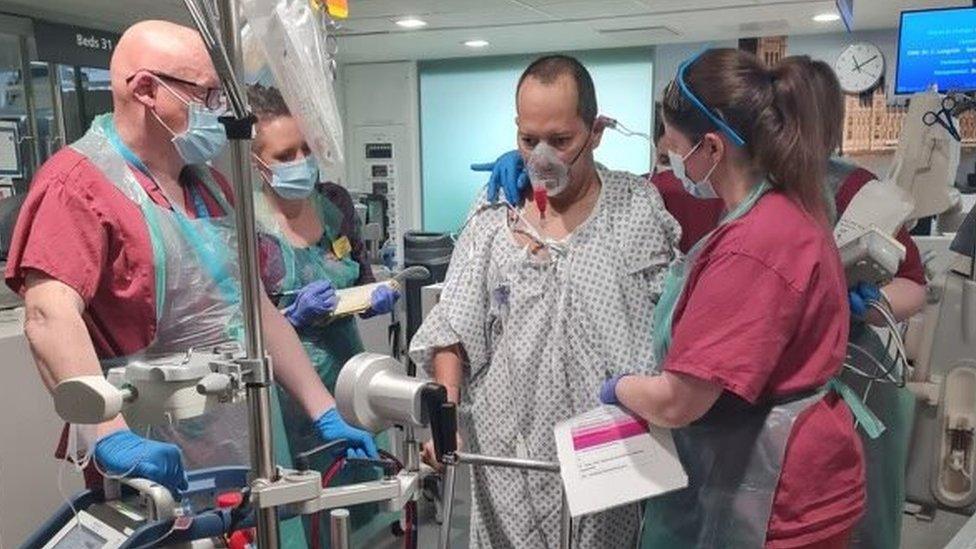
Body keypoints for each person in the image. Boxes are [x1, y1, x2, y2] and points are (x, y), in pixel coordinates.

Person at [5, 20, 377, 528]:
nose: (220, 111)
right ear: (145, 90)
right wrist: (109, 434)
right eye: (206, 95)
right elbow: (49, 316)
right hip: (153, 448)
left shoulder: (209, 185)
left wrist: (322, 408)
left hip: (245, 435)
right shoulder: (78, 186)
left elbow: (256, 312)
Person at [596, 49, 864, 548]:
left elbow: (678, 401)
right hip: (809, 469)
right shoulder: (792, 204)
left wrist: (620, 389)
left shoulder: (752, 244)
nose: (669, 164)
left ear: (712, 149)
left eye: (671, 150)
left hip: (778, 491)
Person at [410, 55, 680, 548]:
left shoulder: (634, 207)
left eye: (560, 141)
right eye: (528, 140)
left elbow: (673, 321)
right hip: (508, 455)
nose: (542, 157)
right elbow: (453, 326)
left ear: (595, 133)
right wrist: (444, 418)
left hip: (609, 453)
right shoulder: (496, 212)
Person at [778, 55, 926, 549]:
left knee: (860, 519)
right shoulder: (750, 186)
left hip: (854, 376)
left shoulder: (857, 190)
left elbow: (913, 284)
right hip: (780, 383)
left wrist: (859, 299)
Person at [247, 84, 399, 545]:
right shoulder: (245, 224)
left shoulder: (333, 205)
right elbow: (239, 327)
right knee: (302, 513)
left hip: (348, 375)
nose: (301, 162)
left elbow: (359, 276)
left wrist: (376, 294)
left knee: (359, 506)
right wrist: (290, 319)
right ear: (257, 164)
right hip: (287, 395)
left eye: (306, 149)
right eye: (286, 153)